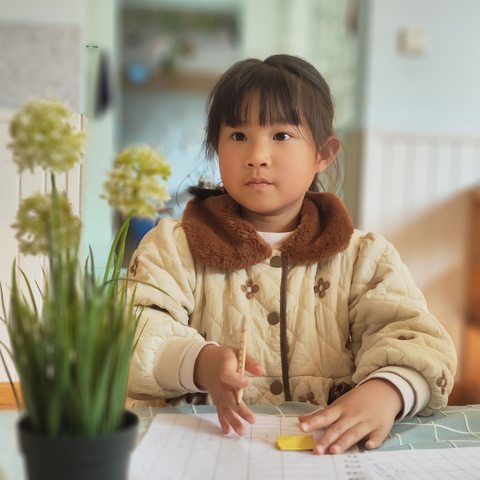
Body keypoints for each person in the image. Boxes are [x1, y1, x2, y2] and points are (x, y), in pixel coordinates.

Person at [126, 54, 457, 455]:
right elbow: (131, 329)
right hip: (203, 453)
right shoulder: (174, 246)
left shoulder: (365, 257)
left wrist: (386, 392)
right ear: (216, 148)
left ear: (323, 154)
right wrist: (199, 362)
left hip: (327, 456)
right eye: (237, 136)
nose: (257, 155)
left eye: (281, 136)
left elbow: (419, 341)